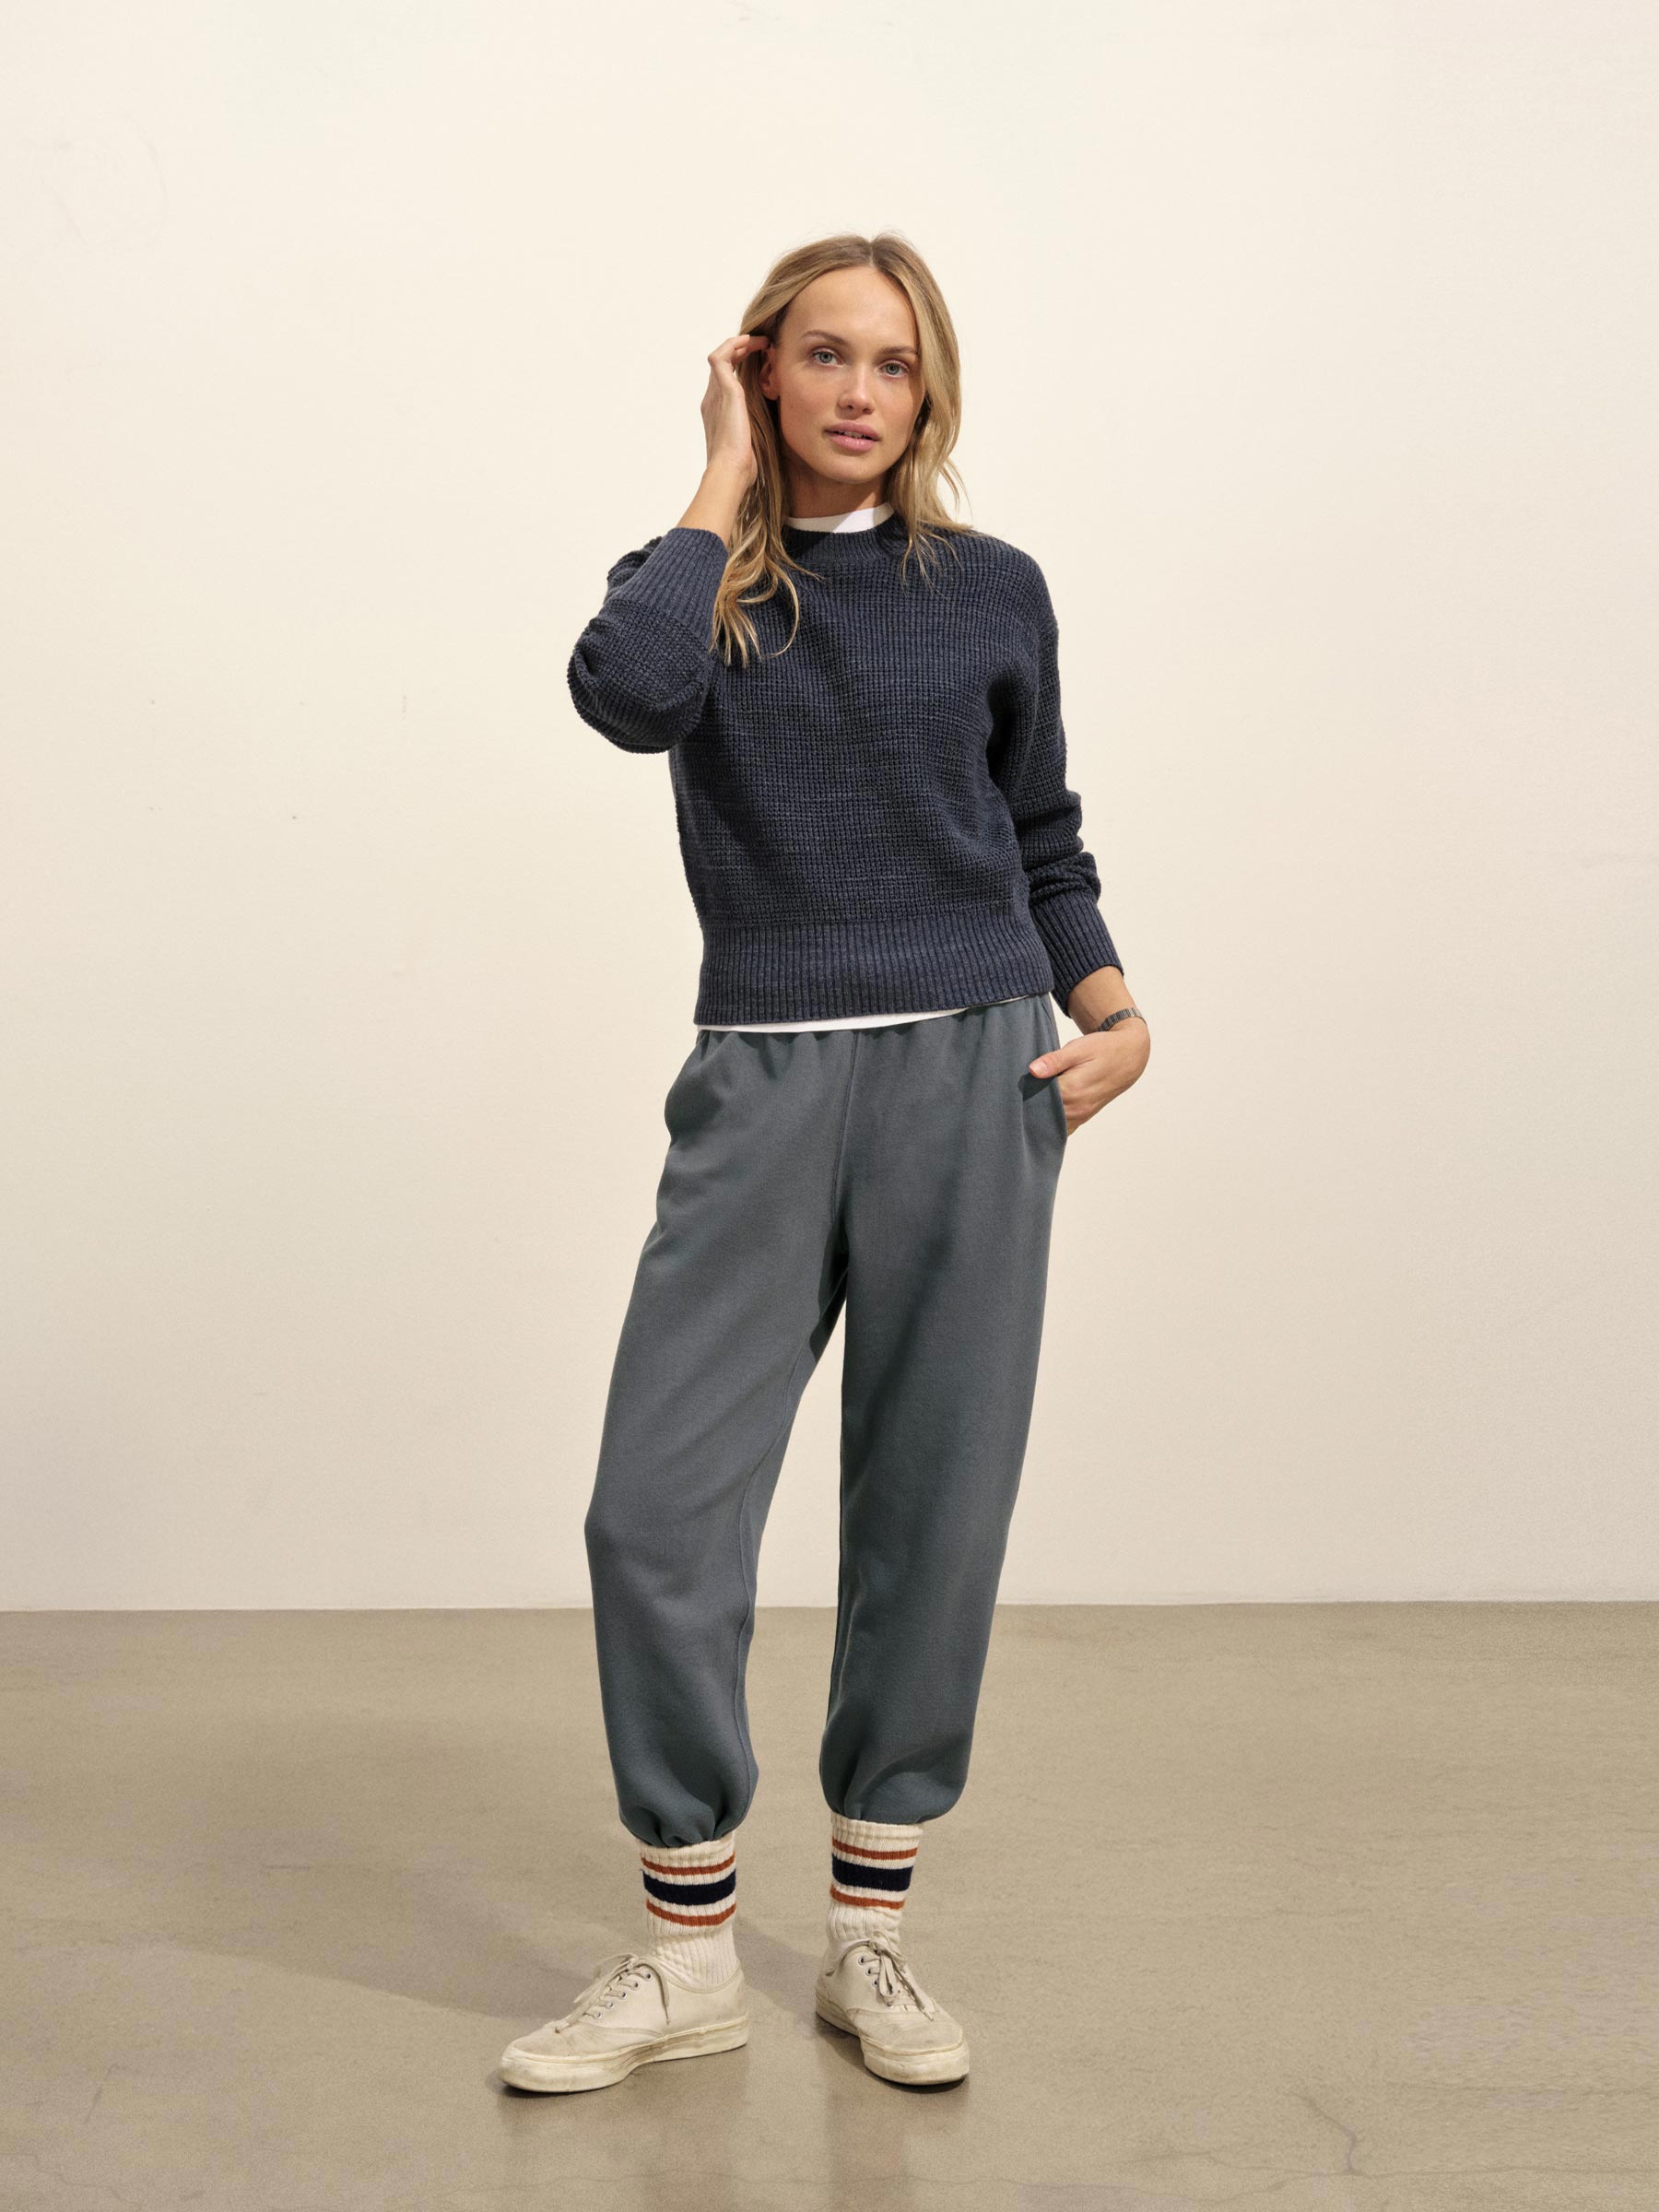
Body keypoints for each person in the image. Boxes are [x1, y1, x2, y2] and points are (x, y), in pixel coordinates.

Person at [500, 231, 1149, 2096]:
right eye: (824, 356)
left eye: (896, 363)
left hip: (979, 1069)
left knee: (933, 1508)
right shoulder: (690, 586)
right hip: (768, 1075)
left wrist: (1115, 1005)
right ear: (761, 368)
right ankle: (687, 1956)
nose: (862, 392)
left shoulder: (993, 590)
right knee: (654, 1513)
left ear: (928, 393)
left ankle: (872, 1937)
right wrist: (716, 479)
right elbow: (624, 700)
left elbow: (1041, 833)